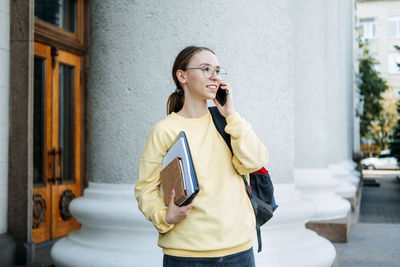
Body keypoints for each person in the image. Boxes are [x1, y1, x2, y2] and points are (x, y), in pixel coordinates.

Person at [135, 46, 268, 267]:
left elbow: (256, 162)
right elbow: (145, 189)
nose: (214, 76)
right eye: (206, 69)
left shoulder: (229, 122)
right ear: (182, 76)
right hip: (186, 253)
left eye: (217, 70)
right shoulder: (165, 130)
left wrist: (231, 114)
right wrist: (164, 217)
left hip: (238, 249)